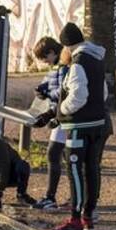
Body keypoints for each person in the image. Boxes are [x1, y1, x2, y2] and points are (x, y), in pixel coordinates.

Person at [34, 22, 111, 230]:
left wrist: (62, 112)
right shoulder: (96, 59)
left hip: (79, 126)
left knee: (75, 169)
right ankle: (89, 215)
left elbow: (78, 95)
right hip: (97, 123)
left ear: (66, 46)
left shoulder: (78, 63)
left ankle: (76, 219)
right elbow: (102, 92)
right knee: (92, 169)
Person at [29, 36, 68, 211]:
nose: (45, 63)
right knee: (57, 155)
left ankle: (58, 197)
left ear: (52, 52)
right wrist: (42, 89)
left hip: (65, 116)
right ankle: (51, 196)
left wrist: (48, 95)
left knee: (59, 155)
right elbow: (51, 83)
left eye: (45, 58)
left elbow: (63, 91)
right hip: (57, 116)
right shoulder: (56, 67)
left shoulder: (65, 66)